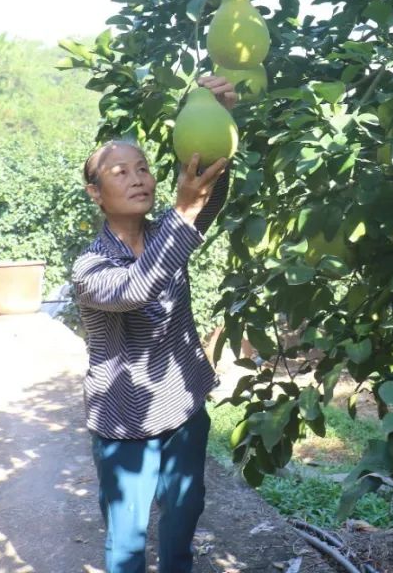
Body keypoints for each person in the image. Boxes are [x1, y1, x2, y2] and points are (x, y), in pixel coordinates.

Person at [71, 75, 237, 573]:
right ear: (95, 193)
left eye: (143, 168)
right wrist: (183, 213)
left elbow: (212, 193)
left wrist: (224, 117)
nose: (138, 177)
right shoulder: (90, 268)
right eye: (120, 172)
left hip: (182, 405)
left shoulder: (170, 229)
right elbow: (136, 287)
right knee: (126, 542)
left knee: (184, 519)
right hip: (126, 420)